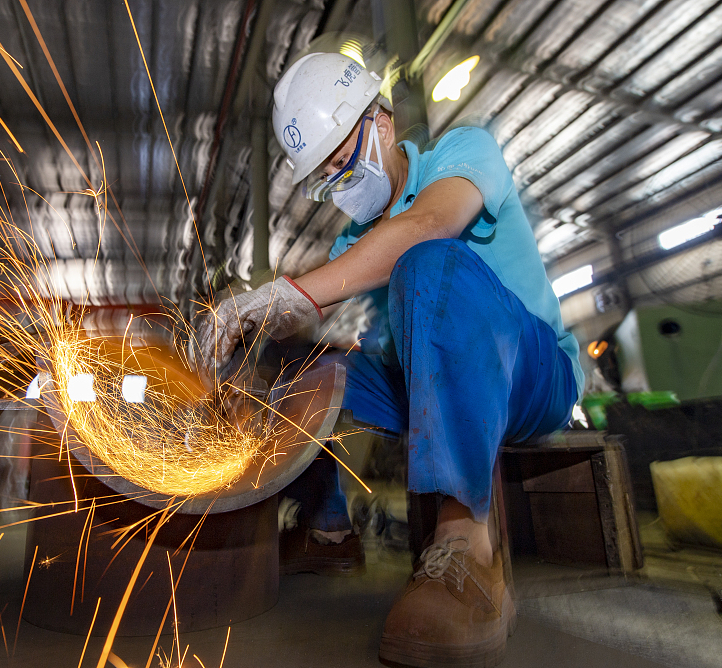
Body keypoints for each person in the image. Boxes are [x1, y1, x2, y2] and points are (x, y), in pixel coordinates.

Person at [195, 52, 583, 668]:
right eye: (325, 178)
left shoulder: (462, 153)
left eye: (341, 162)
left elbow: (429, 225)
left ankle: (469, 552)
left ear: (380, 119)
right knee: (300, 368)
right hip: (433, 382)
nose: (339, 186)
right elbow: (361, 327)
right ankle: (328, 530)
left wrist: (293, 288)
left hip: (532, 375)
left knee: (427, 262)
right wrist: (255, 328)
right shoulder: (354, 244)